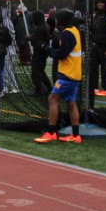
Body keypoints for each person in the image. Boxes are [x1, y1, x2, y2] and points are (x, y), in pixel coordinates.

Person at [34, 8, 82, 143]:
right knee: (71, 103)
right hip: (75, 74)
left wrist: (46, 48)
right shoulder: (74, 30)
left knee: (52, 98)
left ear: (61, 20)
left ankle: (51, 132)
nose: (55, 20)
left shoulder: (67, 33)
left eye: (57, 18)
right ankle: (76, 135)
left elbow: (61, 54)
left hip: (67, 74)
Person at [89, 0, 106, 97]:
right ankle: (95, 88)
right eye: (98, 2)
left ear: (105, 4)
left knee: (104, 69)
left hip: (104, 47)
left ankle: (105, 88)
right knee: (94, 68)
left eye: (101, 2)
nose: (99, 4)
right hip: (95, 46)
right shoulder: (96, 15)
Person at [28, 9, 53, 96]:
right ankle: (49, 87)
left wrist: (31, 38)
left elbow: (39, 42)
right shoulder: (42, 27)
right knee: (41, 71)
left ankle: (38, 90)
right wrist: (32, 37)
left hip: (39, 54)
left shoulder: (41, 28)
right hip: (41, 53)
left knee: (36, 72)